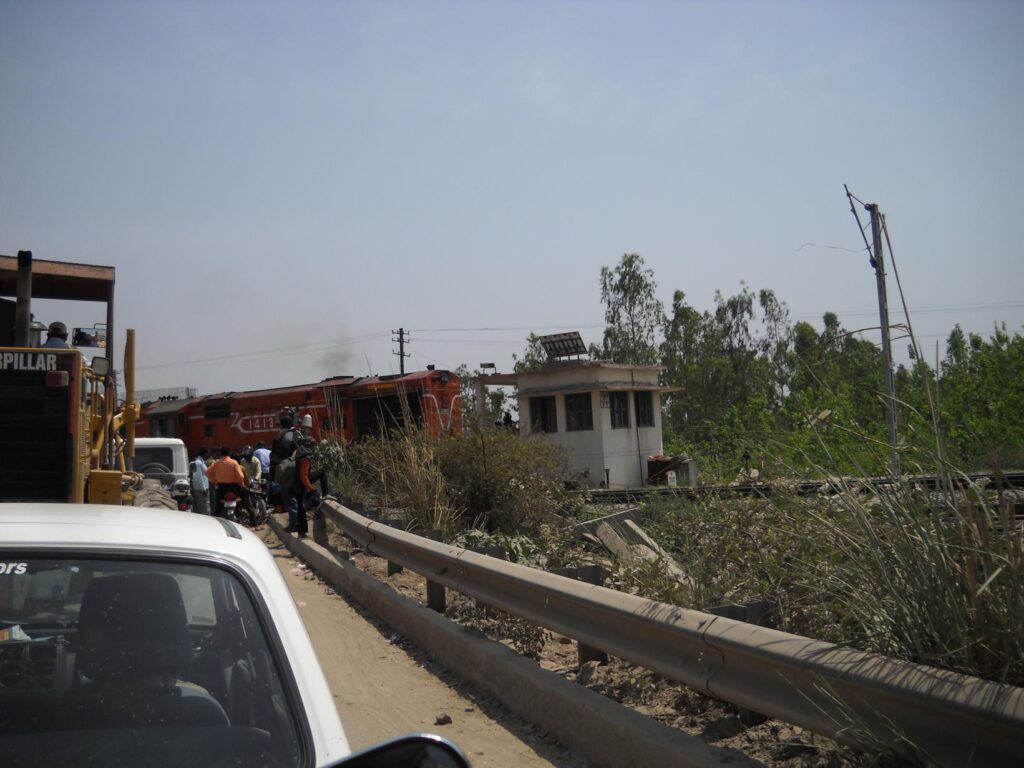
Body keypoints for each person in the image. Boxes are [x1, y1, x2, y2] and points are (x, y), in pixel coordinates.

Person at [293, 434, 330, 540]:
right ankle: (326, 494)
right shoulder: (306, 455)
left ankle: (301, 533)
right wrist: (310, 488)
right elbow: (303, 476)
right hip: (302, 482)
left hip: (296, 483)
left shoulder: (298, 451)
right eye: (314, 447)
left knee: (301, 508)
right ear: (311, 446)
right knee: (321, 472)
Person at [206, 446, 249, 522]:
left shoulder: (217, 463)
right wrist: (242, 485)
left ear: (221, 453)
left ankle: (216, 522)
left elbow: (207, 472)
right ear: (229, 453)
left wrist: (214, 480)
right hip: (234, 488)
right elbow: (241, 476)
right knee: (246, 493)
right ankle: (239, 509)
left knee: (217, 509)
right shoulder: (234, 462)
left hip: (221, 488)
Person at [190, 447, 211, 516]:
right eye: (207, 454)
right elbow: (198, 478)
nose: (208, 455)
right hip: (201, 490)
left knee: (203, 508)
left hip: (203, 489)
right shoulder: (198, 463)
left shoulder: (202, 463)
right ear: (204, 454)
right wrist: (203, 489)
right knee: (203, 509)